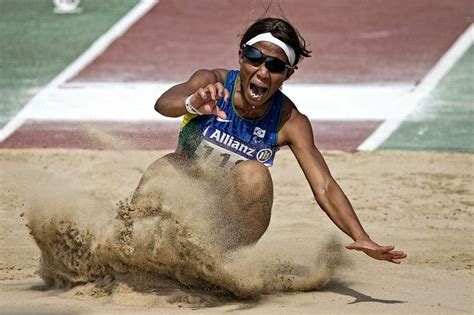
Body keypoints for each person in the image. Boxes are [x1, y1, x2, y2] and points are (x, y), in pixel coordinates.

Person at [131, 17, 406, 263]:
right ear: (241, 56)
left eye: (275, 65)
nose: (262, 71)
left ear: (288, 74)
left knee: (255, 174)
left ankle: (218, 262)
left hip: (232, 223)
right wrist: (192, 102)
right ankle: (125, 241)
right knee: (166, 167)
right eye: (254, 58)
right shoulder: (211, 83)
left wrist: (361, 236)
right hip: (186, 202)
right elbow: (163, 104)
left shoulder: (291, 121)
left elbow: (324, 186)